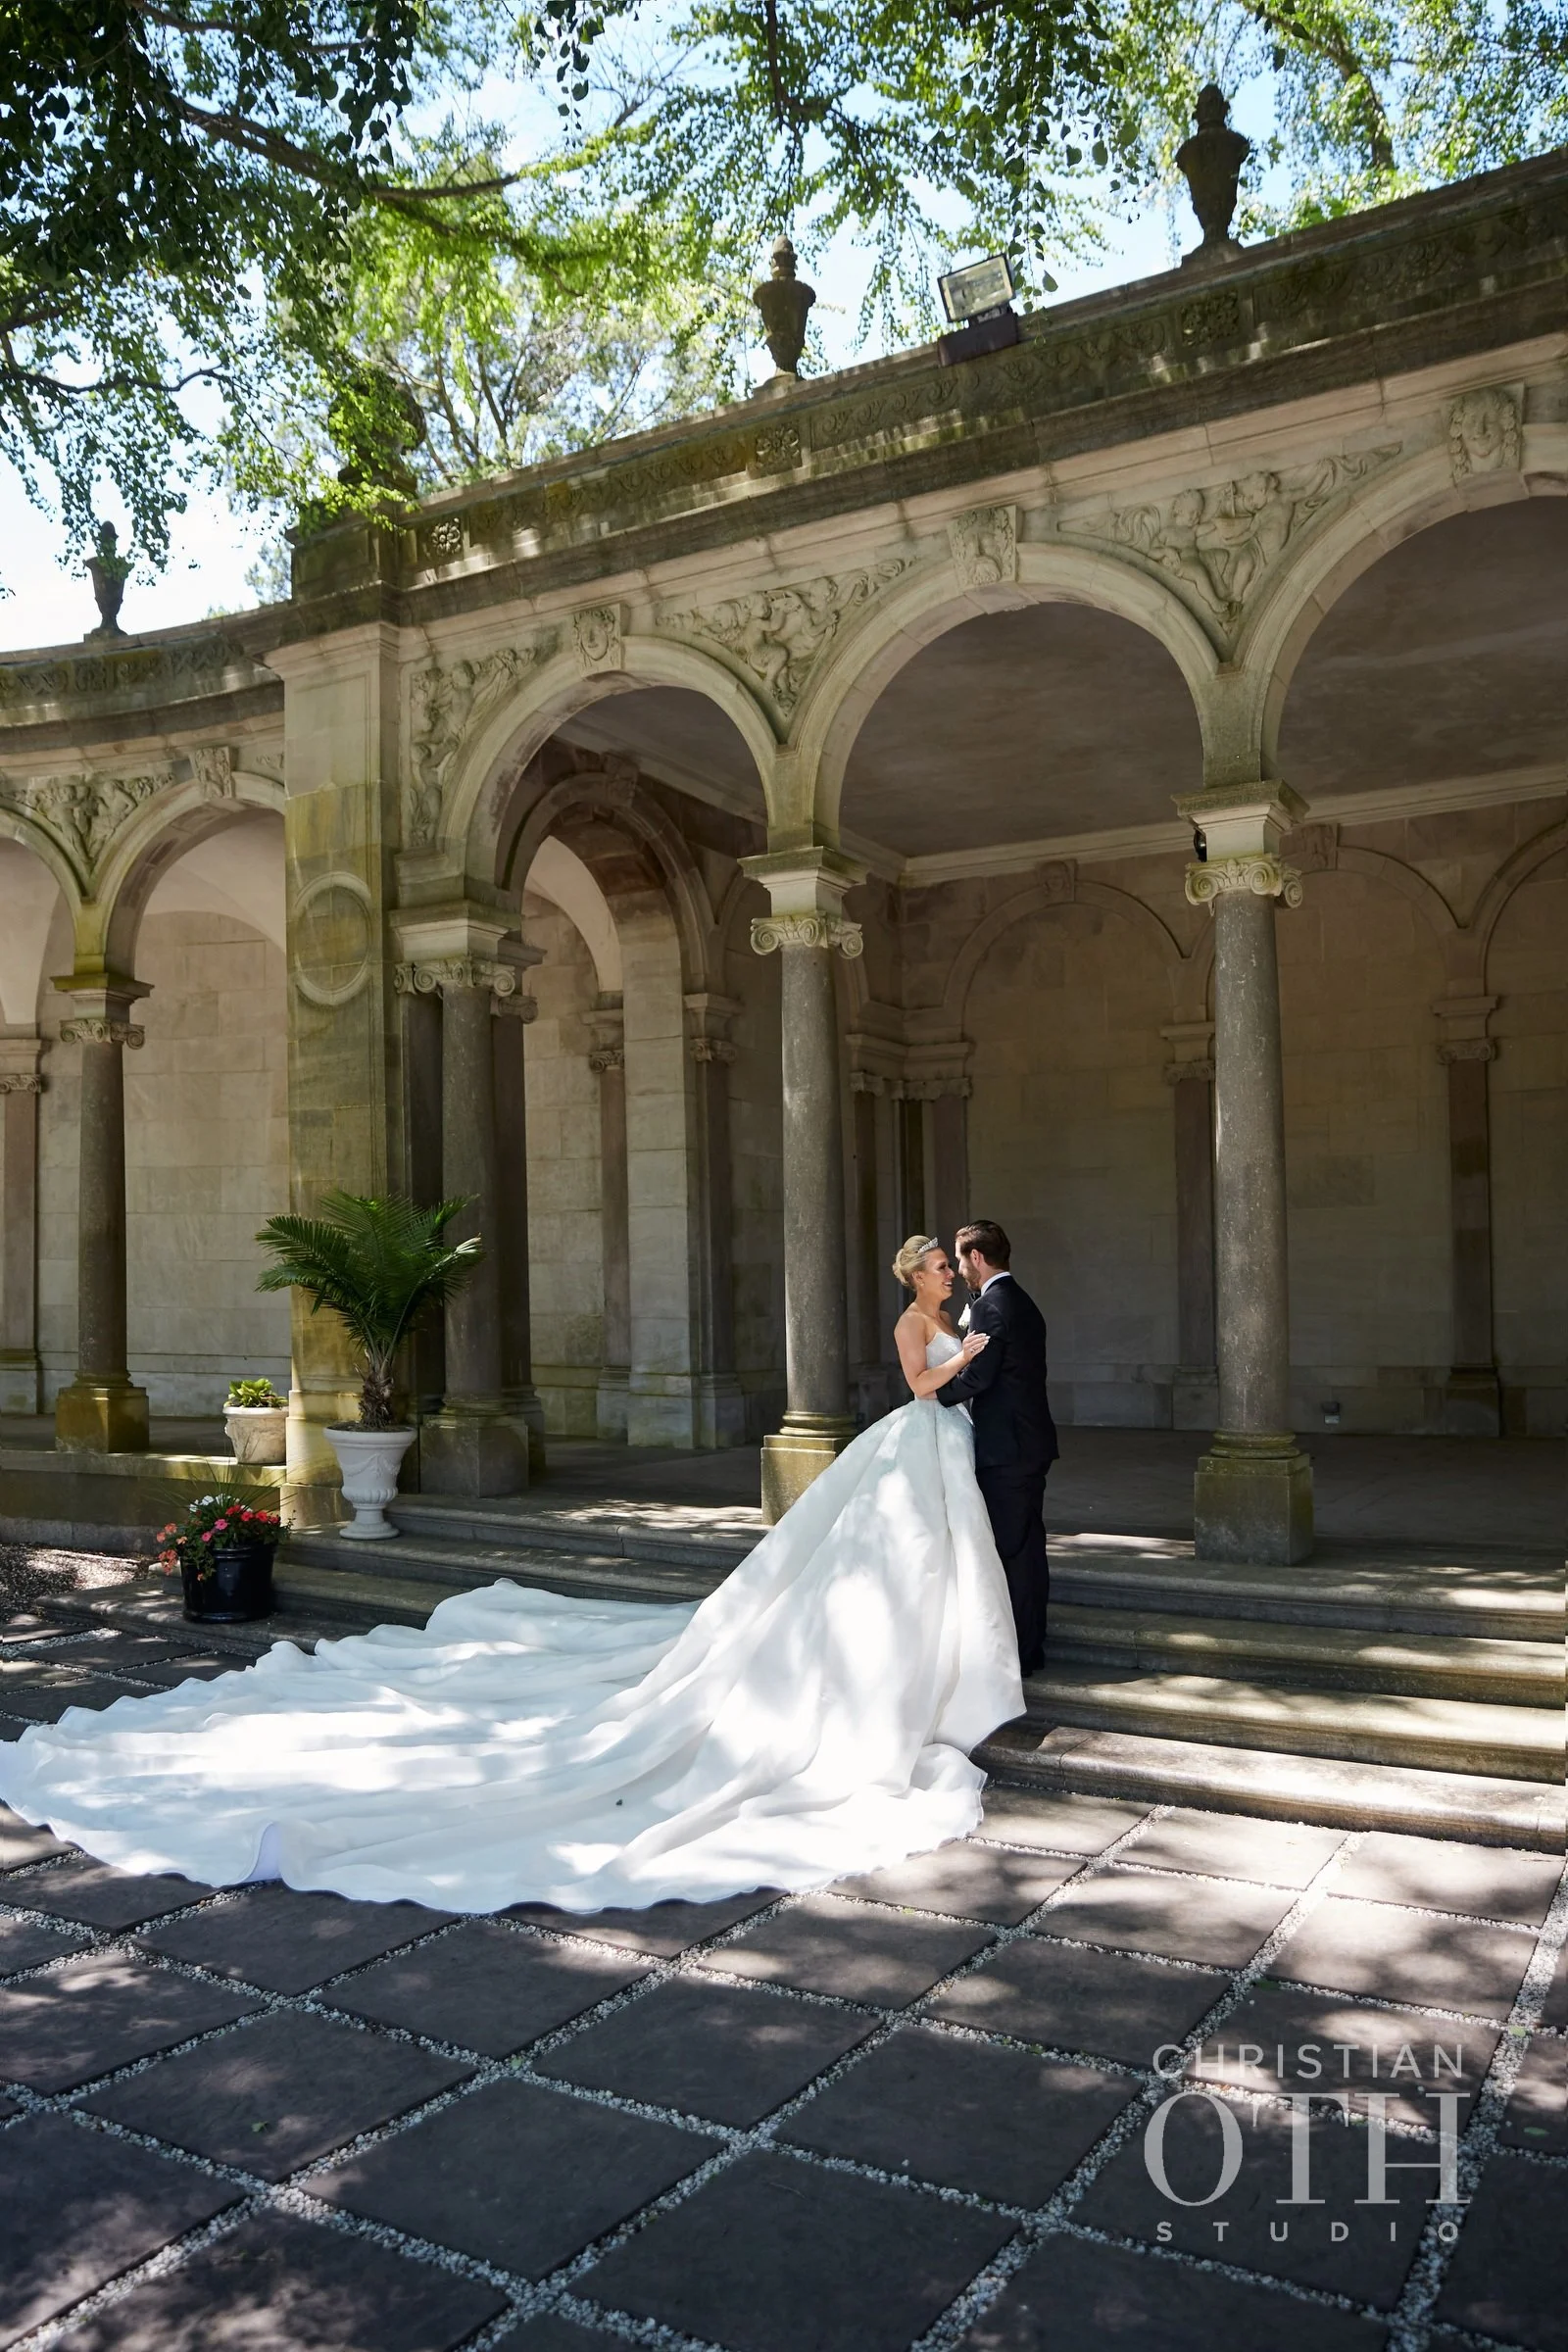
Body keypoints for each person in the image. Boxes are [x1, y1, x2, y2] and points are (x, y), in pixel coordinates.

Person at [0, 1238, 1023, 1916]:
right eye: (932, 1263)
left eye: (945, 1261)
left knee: (914, 1557)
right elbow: (921, 1380)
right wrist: (962, 1353)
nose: (942, 1270)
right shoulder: (919, 1321)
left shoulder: (969, 1301)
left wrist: (974, 1346)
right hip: (921, 1431)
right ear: (914, 1280)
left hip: (935, 1448)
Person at [937, 1219, 1056, 1675]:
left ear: (978, 1258)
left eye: (960, 1258)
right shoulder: (1022, 1301)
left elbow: (980, 1377)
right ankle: (1030, 1645)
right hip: (1030, 1442)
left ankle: (1021, 1654)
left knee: (1012, 1551)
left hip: (1007, 1448)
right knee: (1027, 1548)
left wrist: (931, 1395)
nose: (960, 1269)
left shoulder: (990, 1306)